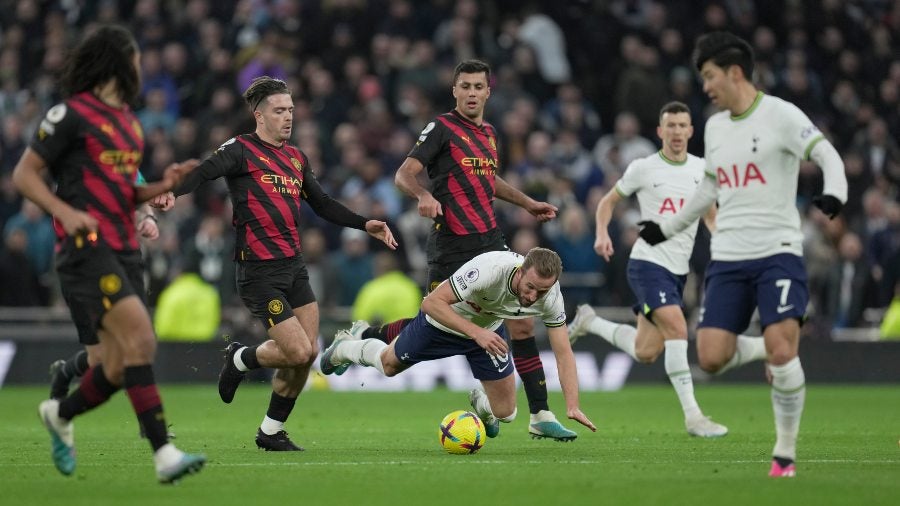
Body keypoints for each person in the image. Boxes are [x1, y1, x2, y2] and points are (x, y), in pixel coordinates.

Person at [637, 32, 848, 477]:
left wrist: (835, 194)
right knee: (711, 354)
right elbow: (709, 190)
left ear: (735, 73)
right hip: (729, 256)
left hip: (778, 252)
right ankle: (779, 351)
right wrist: (666, 228)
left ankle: (784, 456)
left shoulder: (781, 115)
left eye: (710, 77)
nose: (706, 87)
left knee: (780, 347)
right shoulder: (714, 127)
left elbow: (827, 154)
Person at [152, 76, 397, 451]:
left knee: (308, 354)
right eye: (279, 111)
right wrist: (169, 190)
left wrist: (366, 224)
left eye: (291, 111)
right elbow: (202, 172)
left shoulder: (297, 158)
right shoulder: (241, 149)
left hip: (293, 267)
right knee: (297, 350)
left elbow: (323, 203)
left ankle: (270, 432)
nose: (288, 118)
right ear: (259, 115)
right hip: (258, 271)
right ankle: (241, 358)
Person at [12, 25, 205, 484]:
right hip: (84, 250)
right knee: (141, 338)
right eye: (136, 60)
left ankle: (60, 413)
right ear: (115, 63)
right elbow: (25, 175)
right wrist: (64, 211)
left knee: (117, 365)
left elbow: (123, 194)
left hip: (123, 248)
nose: (141, 69)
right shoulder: (70, 115)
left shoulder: (129, 124)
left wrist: (163, 185)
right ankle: (163, 454)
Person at [352, 59, 577, 440]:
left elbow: (488, 181)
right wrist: (423, 194)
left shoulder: (489, 133)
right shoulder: (441, 128)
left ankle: (539, 414)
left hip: (488, 237)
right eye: (465, 86)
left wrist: (527, 203)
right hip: (451, 243)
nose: (472, 93)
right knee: (440, 320)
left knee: (522, 318)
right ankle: (369, 334)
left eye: (478, 87)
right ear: (455, 90)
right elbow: (403, 174)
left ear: (489, 91)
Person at [569, 101, 768, 438]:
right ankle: (694, 417)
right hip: (648, 263)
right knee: (677, 328)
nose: (676, 132)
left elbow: (711, 216)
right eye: (670, 126)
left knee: (646, 352)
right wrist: (602, 234)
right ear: (660, 131)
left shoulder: (704, 170)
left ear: (691, 131)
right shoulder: (643, 168)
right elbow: (607, 202)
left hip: (678, 271)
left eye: (682, 126)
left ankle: (591, 320)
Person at [320, 247, 596, 439]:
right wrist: (477, 333)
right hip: (443, 323)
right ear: (521, 271)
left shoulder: (551, 296)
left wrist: (572, 405)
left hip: (486, 333)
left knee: (507, 413)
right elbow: (431, 303)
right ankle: (345, 347)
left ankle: (481, 404)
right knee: (389, 365)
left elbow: (563, 352)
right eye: (531, 287)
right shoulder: (490, 269)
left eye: (543, 290)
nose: (534, 296)